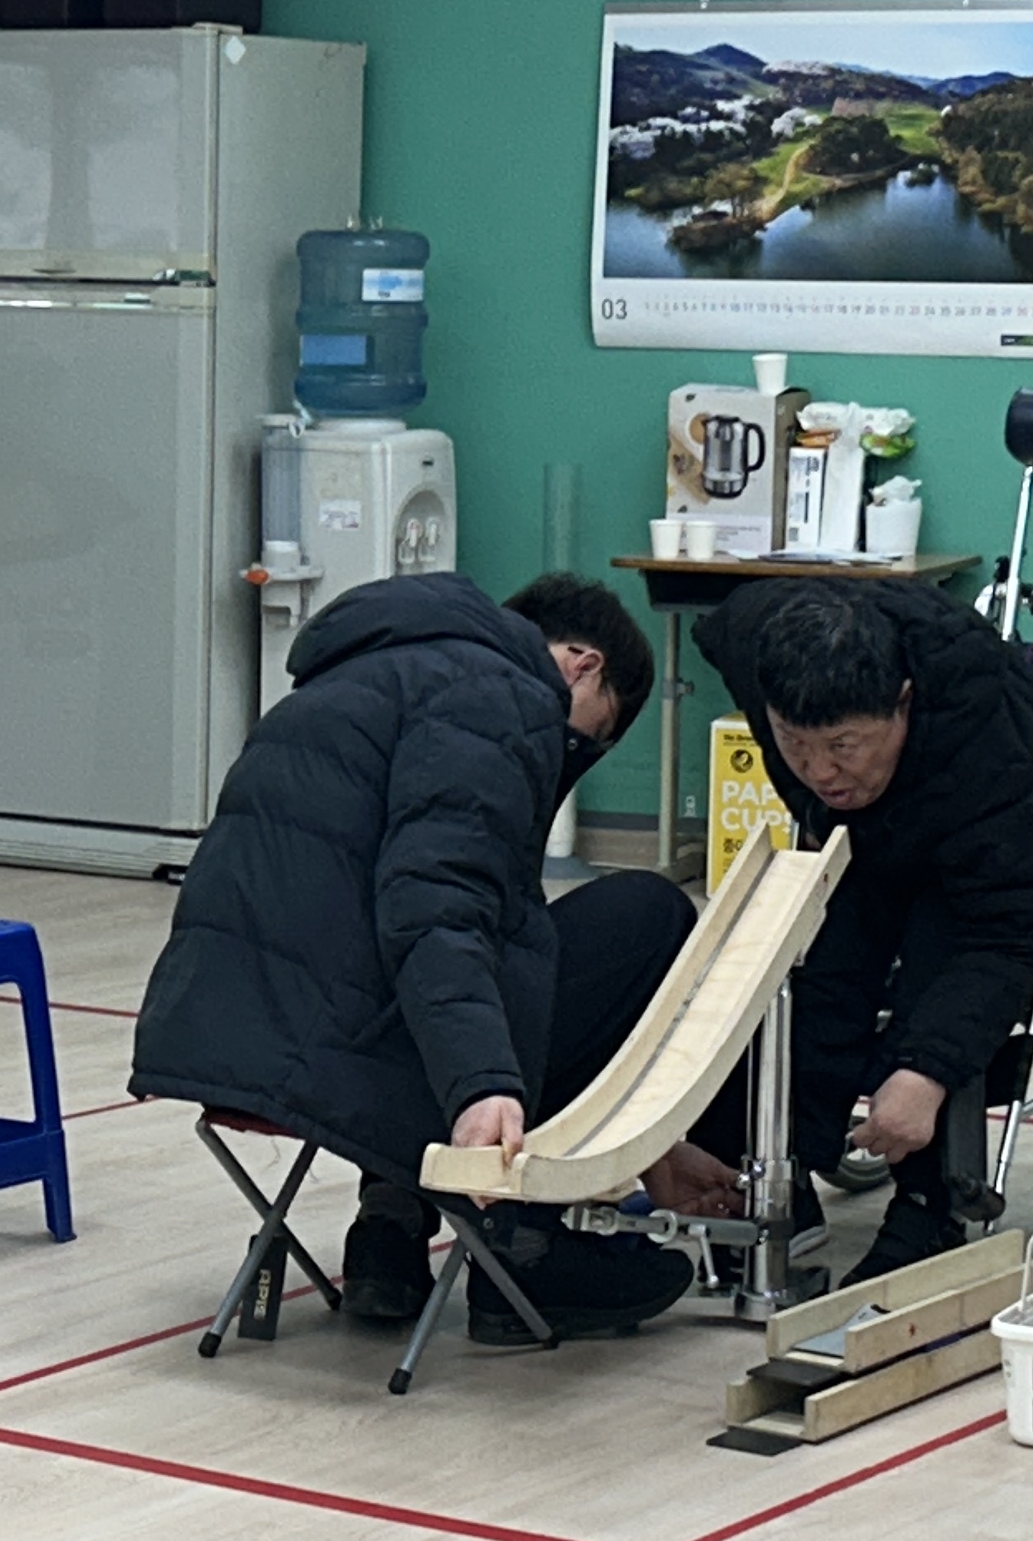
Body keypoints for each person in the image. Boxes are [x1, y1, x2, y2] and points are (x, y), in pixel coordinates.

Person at [130, 570, 739, 1345]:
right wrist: (482, 1084)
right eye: (595, 733)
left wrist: (651, 1145)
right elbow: (437, 904)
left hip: (222, 1034)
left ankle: (388, 1229)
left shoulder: (369, 669)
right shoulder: (503, 697)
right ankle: (520, 1248)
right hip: (336, 1058)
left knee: (460, 955)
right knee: (645, 915)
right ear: (583, 667)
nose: (575, 754)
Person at [699, 572, 1033, 1284]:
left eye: (844, 745)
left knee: (940, 952)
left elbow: (1007, 930)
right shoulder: (752, 641)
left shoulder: (993, 749)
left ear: (902, 701)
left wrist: (925, 1072)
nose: (819, 770)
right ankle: (778, 1168)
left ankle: (931, 1205)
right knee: (806, 957)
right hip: (883, 830)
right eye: (795, 744)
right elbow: (728, 637)